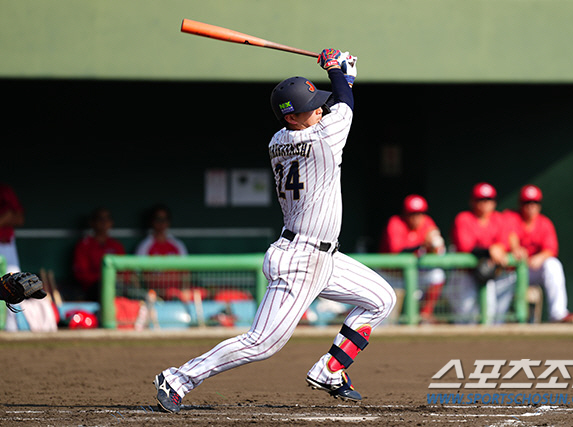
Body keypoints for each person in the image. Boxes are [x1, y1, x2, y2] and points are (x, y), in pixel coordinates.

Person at [153, 48, 396, 413]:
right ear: (295, 117)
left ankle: (330, 369)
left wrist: (343, 77)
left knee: (381, 300)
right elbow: (344, 105)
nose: (320, 108)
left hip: (323, 256)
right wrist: (338, 71)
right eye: (312, 106)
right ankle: (179, 378)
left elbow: (337, 104)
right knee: (261, 343)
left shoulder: (279, 139)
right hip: (301, 259)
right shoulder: (319, 141)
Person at [502, 185, 573, 323]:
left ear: (539, 205)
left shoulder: (544, 223)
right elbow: (509, 235)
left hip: (532, 270)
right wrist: (515, 247)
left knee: (553, 265)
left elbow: (551, 249)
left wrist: (540, 257)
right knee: (495, 315)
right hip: (510, 273)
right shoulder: (511, 217)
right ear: (520, 204)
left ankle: (558, 313)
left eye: (535, 202)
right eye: (527, 202)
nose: (531, 206)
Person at [447, 182, 516, 324]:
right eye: (480, 199)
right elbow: (466, 247)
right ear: (472, 201)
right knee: (464, 315)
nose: (485, 203)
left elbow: (503, 245)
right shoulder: (464, 218)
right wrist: (490, 250)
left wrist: (497, 250)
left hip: (489, 273)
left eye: (488, 199)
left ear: (494, 202)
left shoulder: (498, 219)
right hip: (464, 274)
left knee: (491, 313)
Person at [380, 194, 446, 322]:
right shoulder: (396, 223)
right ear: (405, 213)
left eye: (420, 213)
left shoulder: (427, 222)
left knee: (437, 275)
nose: (416, 217)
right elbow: (397, 252)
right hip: (391, 276)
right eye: (412, 213)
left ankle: (425, 314)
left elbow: (438, 251)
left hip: (415, 275)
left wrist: (434, 246)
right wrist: (422, 245)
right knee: (387, 320)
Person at [72, 207, 126, 302]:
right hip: (93, 289)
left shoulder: (116, 245)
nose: (103, 222)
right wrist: (105, 278)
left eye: (107, 219)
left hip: (117, 287)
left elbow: (125, 272)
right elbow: (82, 275)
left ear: (111, 223)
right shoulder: (84, 245)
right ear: (92, 223)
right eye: (100, 219)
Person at [0, 183, 25, 274]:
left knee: (13, 280)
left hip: (5, 243)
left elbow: (19, 219)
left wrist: (6, 217)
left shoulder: (4, 191)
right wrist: (4, 219)